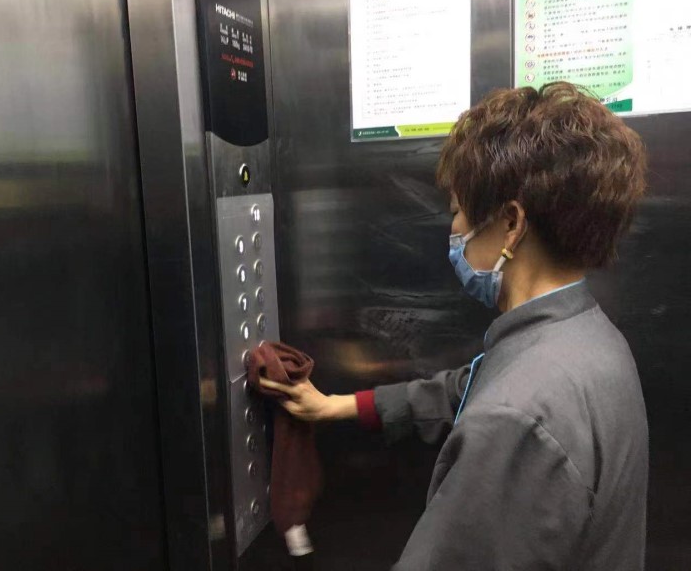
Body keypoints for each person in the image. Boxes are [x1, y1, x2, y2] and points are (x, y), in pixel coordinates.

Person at [261, 82, 649, 570]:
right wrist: (332, 406)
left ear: (511, 224)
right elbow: (469, 387)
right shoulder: (583, 338)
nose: (455, 230)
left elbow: (505, 410)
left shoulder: (519, 417)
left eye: (458, 211)